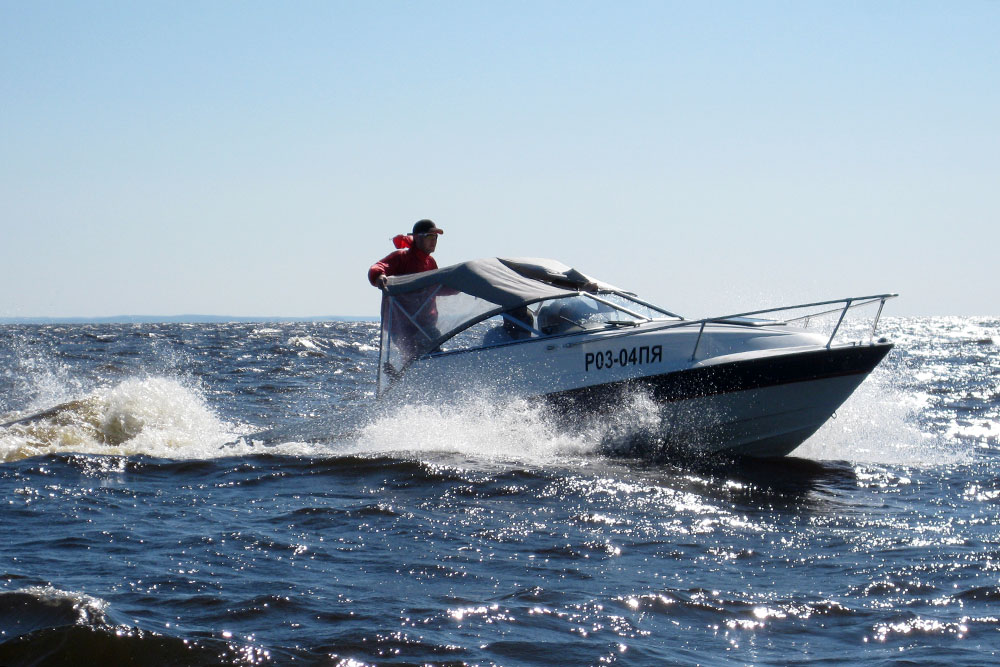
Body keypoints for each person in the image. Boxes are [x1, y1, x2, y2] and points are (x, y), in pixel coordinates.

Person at [368, 219, 444, 290]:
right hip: (400, 305)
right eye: (430, 235)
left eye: (435, 236)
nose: (434, 239)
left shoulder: (431, 262)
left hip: (426, 305)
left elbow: (440, 288)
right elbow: (375, 268)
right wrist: (379, 276)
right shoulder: (401, 257)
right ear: (417, 237)